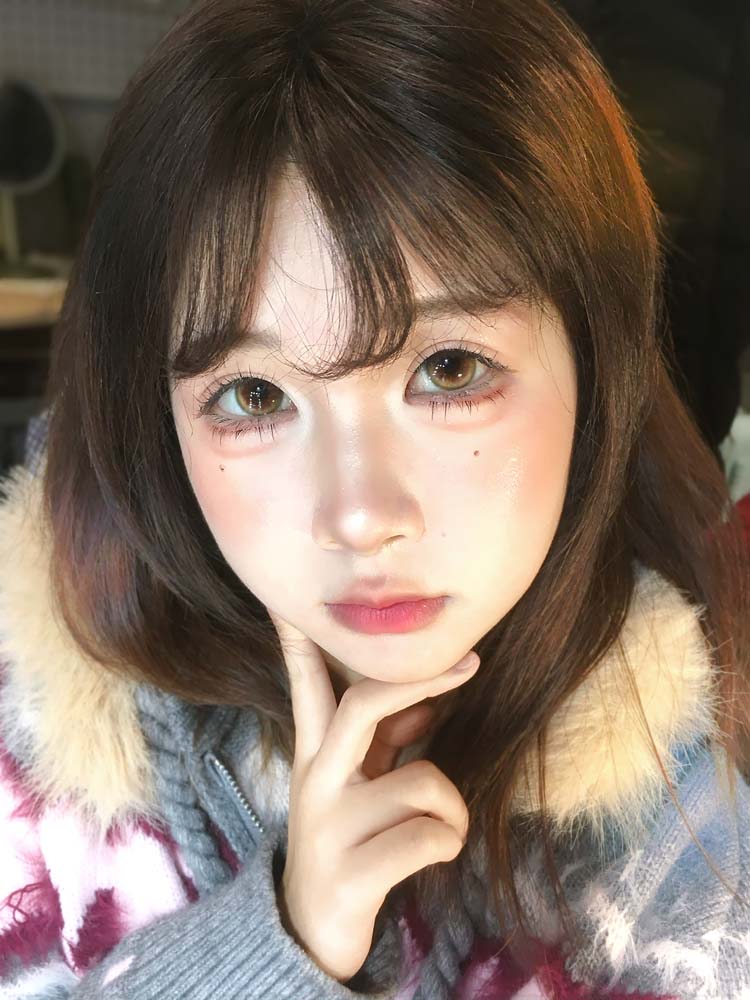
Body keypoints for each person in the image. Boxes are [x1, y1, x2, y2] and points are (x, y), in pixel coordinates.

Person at [1, 0, 749, 997]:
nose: (358, 516)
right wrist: (283, 944)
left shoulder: (685, 832)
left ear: (597, 371)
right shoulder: (44, 738)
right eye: (254, 396)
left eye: (449, 370)